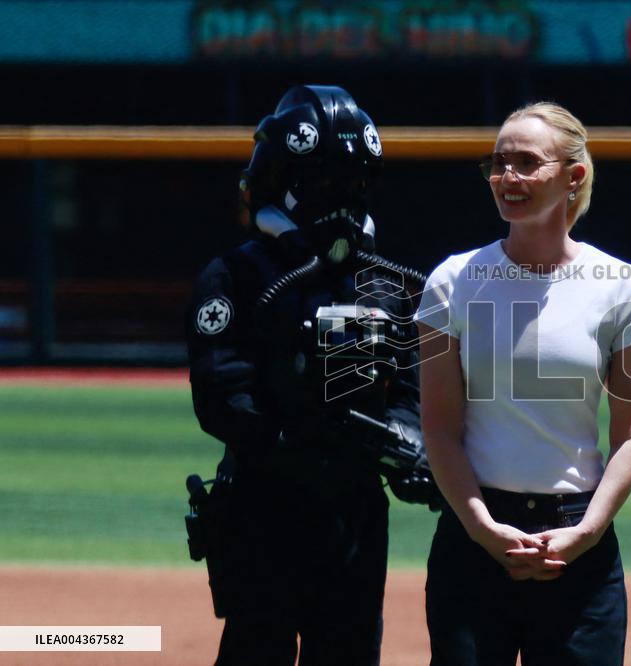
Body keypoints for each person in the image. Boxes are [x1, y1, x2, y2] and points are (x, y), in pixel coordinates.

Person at [186, 85, 429, 666]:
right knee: (257, 647)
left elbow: (411, 391)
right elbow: (221, 393)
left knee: (348, 650)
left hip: (353, 510)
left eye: (348, 185)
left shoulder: (384, 282)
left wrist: (401, 444)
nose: (339, 199)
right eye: (325, 184)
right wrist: (293, 442)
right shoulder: (236, 275)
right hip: (264, 502)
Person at [415, 102, 631, 666]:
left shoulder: (620, 285)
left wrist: (588, 532)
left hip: (579, 542)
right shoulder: (453, 281)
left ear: (573, 177)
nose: (507, 178)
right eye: (499, 163)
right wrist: (481, 527)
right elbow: (440, 427)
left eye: (527, 163)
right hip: (473, 542)